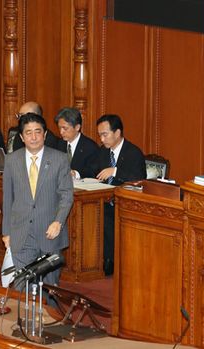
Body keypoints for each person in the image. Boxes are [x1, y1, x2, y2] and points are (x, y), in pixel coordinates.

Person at [2, 113, 73, 287]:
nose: (33, 137)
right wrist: (6, 232)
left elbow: (66, 194)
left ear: (45, 134)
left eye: (37, 132)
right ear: (21, 137)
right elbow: (7, 197)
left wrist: (58, 222)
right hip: (21, 232)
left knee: (49, 289)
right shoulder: (11, 160)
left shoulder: (59, 159)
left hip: (49, 233)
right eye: (28, 133)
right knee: (21, 289)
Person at [91, 114, 146, 275]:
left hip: (124, 202)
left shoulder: (133, 152)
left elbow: (138, 178)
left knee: (105, 216)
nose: (101, 139)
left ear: (117, 133)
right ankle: (95, 260)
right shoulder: (103, 152)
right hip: (104, 198)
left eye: (105, 134)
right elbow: (94, 171)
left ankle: (111, 261)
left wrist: (115, 171)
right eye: (100, 135)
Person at [54, 107, 98, 179]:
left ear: (77, 127)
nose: (61, 132)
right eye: (59, 128)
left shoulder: (90, 147)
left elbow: (93, 172)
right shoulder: (58, 144)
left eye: (65, 128)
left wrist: (76, 174)